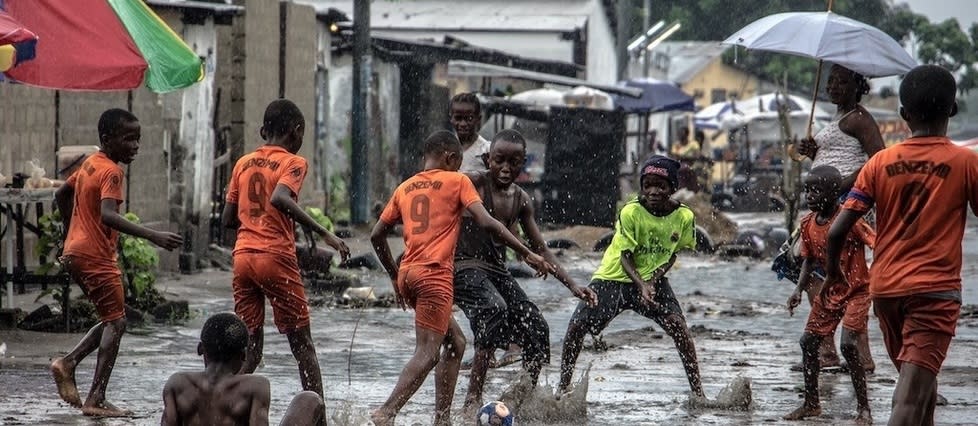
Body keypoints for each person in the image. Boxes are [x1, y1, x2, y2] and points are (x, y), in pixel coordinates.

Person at [369, 130, 554, 426]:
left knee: (455, 342)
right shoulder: (458, 181)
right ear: (452, 158)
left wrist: (393, 276)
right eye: (458, 162)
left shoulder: (405, 187)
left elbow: (377, 234)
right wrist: (526, 252)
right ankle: (386, 412)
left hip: (408, 274)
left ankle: (441, 420)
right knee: (427, 353)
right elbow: (487, 222)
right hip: (435, 276)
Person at [826, 65, 973, 426]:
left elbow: (836, 231)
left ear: (904, 115)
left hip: (887, 292)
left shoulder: (879, 163)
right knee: (908, 399)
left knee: (921, 390)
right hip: (934, 293)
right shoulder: (966, 162)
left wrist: (833, 275)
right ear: (951, 111)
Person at [51, 108, 183, 417]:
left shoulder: (89, 164)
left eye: (138, 139)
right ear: (107, 139)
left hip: (76, 252)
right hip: (94, 256)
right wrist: (153, 235)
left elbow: (60, 194)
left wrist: (71, 232)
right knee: (116, 321)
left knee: (113, 318)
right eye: (128, 139)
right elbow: (108, 215)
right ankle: (95, 398)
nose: (135, 146)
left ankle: (68, 364)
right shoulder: (111, 170)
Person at [455, 129, 598, 415]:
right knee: (493, 308)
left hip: (496, 271)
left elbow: (542, 249)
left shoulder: (521, 200)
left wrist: (573, 286)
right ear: (487, 158)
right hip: (463, 267)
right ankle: (473, 396)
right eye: (499, 161)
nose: (506, 168)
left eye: (514, 162)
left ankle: (523, 395)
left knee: (536, 327)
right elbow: (436, 191)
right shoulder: (472, 183)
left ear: (524, 163)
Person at [220, 99, 350, 414]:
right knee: (303, 344)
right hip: (274, 257)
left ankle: (219, 409)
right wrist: (325, 234)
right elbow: (280, 198)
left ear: (265, 130)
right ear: (297, 131)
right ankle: (319, 417)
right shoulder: (293, 162)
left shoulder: (243, 163)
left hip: (242, 259)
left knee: (250, 349)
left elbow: (226, 219)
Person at [557, 155, 704, 400]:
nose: (654, 191)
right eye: (648, 185)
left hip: (650, 280)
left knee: (679, 327)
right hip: (614, 276)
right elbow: (625, 256)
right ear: (641, 187)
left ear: (672, 188)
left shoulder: (685, 217)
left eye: (661, 185)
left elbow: (672, 255)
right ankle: (563, 387)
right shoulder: (631, 212)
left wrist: (653, 281)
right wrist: (642, 285)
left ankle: (699, 394)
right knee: (577, 326)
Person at [796, 63, 885, 371]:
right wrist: (812, 154)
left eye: (841, 81)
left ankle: (850, 354)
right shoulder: (839, 117)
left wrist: (842, 186)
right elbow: (836, 156)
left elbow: (878, 159)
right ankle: (830, 349)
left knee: (843, 275)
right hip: (827, 204)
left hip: (846, 205)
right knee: (815, 269)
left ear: (857, 86)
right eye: (831, 80)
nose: (832, 86)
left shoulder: (860, 119)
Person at [784, 166, 874, 423]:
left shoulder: (849, 220)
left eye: (816, 190)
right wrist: (798, 289)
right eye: (807, 190)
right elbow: (809, 260)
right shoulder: (807, 223)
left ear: (835, 193)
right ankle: (811, 404)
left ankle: (864, 408)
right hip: (830, 291)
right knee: (808, 342)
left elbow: (877, 243)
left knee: (848, 345)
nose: (810, 195)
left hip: (858, 290)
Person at [162, 313, 324, 426]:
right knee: (309, 399)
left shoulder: (177, 383)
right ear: (243, 356)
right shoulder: (255, 386)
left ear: (200, 349)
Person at [450, 92, 492, 172]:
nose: (463, 124)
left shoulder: (486, 151)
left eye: (469, 118)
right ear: (451, 118)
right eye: (458, 118)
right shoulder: (445, 149)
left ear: (478, 119)